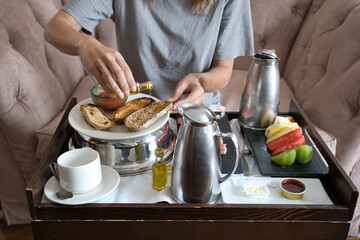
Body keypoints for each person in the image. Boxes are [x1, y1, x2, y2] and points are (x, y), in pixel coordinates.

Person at [44, 0, 254, 110]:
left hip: (196, 112)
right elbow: (54, 28)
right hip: (132, 111)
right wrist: (86, 44)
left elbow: (224, 70)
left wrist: (201, 81)